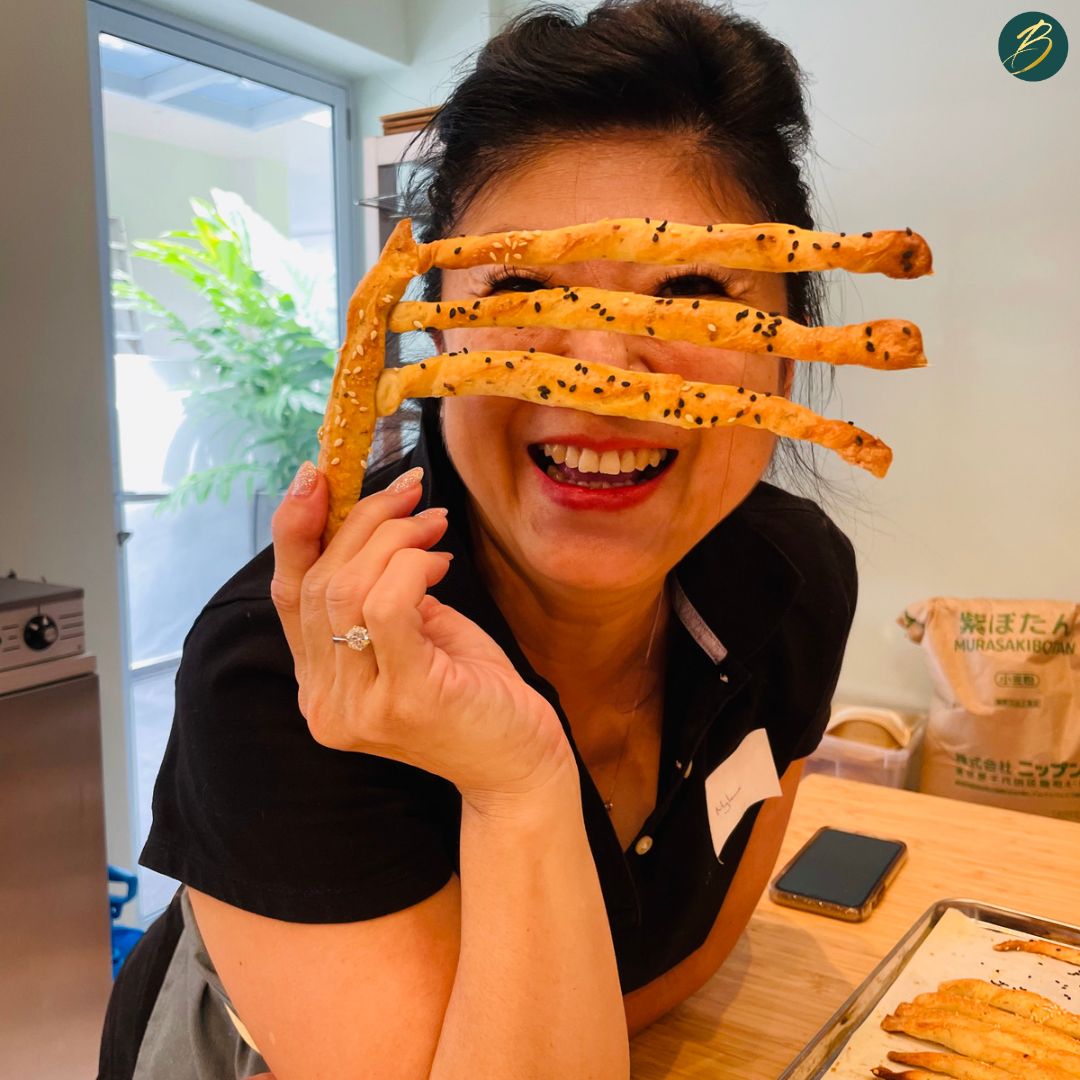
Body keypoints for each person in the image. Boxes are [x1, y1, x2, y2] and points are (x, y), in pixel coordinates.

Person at [98, 1, 857, 1077]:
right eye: (525, 288)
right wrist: (517, 785)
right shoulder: (287, 673)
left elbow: (697, 941)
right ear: (432, 337)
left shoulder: (791, 578)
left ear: (784, 365)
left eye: (693, 294)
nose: (605, 376)